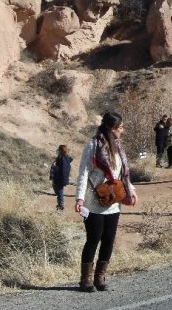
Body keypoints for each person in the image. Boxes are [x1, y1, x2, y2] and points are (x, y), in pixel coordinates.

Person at [75, 112, 137, 292]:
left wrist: (130, 190)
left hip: (113, 201)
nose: (122, 130)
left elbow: (122, 173)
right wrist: (79, 198)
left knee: (109, 239)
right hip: (94, 201)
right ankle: (85, 279)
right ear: (111, 128)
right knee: (93, 239)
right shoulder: (93, 145)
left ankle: (100, 276)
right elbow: (83, 173)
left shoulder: (118, 147)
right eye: (120, 127)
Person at [50, 144, 73, 211]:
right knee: (58, 191)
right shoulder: (62, 157)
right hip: (58, 178)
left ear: (61, 151)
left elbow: (63, 170)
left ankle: (61, 206)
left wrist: (54, 167)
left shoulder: (63, 159)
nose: (57, 151)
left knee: (59, 192)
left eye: (58, 149)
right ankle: (60, 204)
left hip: (59, 179)